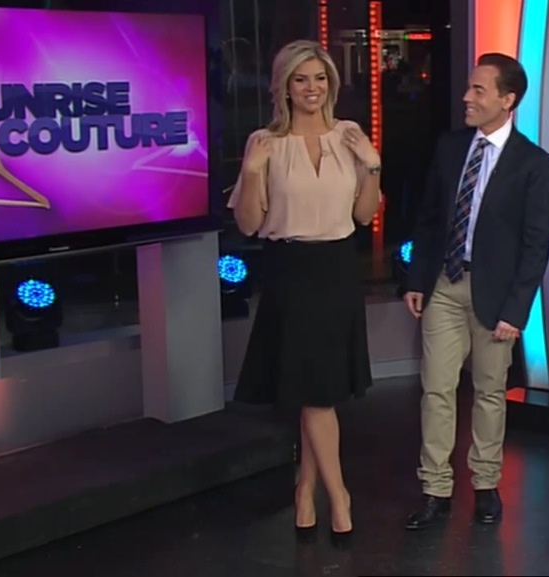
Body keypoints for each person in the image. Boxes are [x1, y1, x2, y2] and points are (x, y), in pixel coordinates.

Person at [227, 39, 381, 550]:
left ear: (330, 84)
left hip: (337, 269)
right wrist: (252, 172)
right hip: (290, 270)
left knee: (319, 389)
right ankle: (340, 498)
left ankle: (304, 491)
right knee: (316, 395)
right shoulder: (265, 143)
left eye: (319, 78)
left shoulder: (349, 136)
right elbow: (249, 223)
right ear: (284, 87)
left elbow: (364, 215)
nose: (311, 88)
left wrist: (372, 166)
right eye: (301, 79)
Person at [402, 53, 549, 530]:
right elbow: (428, 219)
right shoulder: (450, 147)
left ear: (508, 100)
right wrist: (417, 279)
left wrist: (517, 310)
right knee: (437, 389)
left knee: (489, 392)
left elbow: (536, 245)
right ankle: (435, 490)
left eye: (478, 90)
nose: (467, 97)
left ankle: (486, 484)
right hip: (445, 285)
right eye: (469, 88)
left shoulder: (533, 163)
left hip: (497, 297)